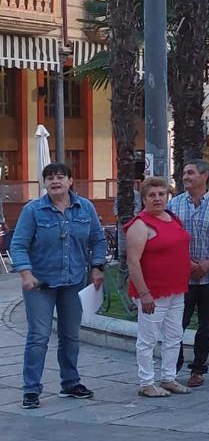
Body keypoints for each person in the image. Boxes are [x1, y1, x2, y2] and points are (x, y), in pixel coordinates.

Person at [10, 162, 106, 410]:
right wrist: (25, 274)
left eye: (60, 177)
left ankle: (70, 383)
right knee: (38, 337)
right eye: (50, 178)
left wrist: (97, 268)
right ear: (45, 183)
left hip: (73, 282)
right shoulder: (33, 210)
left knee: (70, 336)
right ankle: (31, 389)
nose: (55, 181)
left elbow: (98, 239)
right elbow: (18, 244)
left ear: (70, 181)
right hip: (40, 284)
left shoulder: (86, 208)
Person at [168, 160, 209, 387]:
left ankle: (198, 369)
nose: (185, 177)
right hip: (180, 277)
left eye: (190, 173)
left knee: (206, 326)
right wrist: (186, 263)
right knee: (176, 324)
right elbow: (167, 239)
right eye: (184, 173)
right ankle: (172, 368)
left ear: (204, 176)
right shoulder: (173, 205)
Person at [125, 177, 192, 397]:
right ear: (144, 199)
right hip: (152, 293)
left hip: (176, 289)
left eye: (161, 194)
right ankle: (146, 382)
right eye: (152, 195)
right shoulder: (140, 225)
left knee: (174, 336)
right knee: (148, 339)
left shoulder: (172, 218)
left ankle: (168, 378)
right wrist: (144, 294)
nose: (157, 198)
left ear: (167, 196)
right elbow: (133, 262)